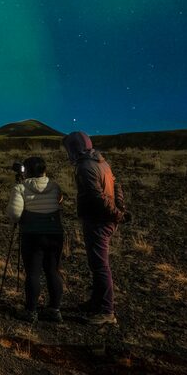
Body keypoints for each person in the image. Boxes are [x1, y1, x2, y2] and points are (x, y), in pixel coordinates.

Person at [62, 131, 126, 325]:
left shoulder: (85, 167)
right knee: (97, 264)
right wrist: (120, 208)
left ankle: (106, 310)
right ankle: (97, 302)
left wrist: (117, 214)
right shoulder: (101, 162)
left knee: (100, 266)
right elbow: (116, 186)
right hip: (104, 218)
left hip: (98, 220)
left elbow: (96, 197)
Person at [5, 155, 64, 323]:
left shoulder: (21, 188)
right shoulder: (55, 186)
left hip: (32, 235)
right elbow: (59, 203)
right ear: (44, 170)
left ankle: (31, 311)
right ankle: (54, 310)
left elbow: (14, 214)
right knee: (53, 271)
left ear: (27, 170)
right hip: (54, 234)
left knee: (33, 273)